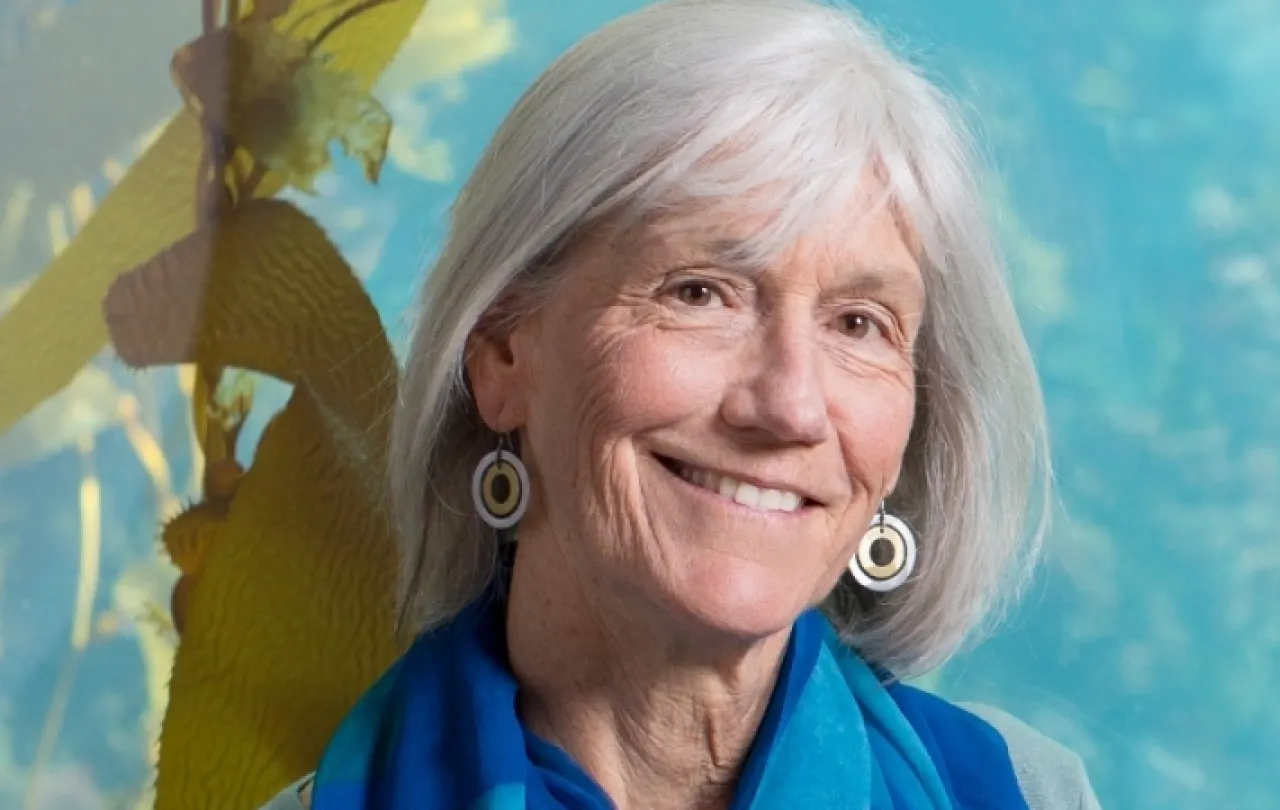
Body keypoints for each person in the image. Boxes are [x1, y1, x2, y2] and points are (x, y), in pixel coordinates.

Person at [263, 0, 1102, 807]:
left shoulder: (1027, 795)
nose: (790, 407)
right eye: (700, 292)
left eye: (858, 323)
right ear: (502, 352)